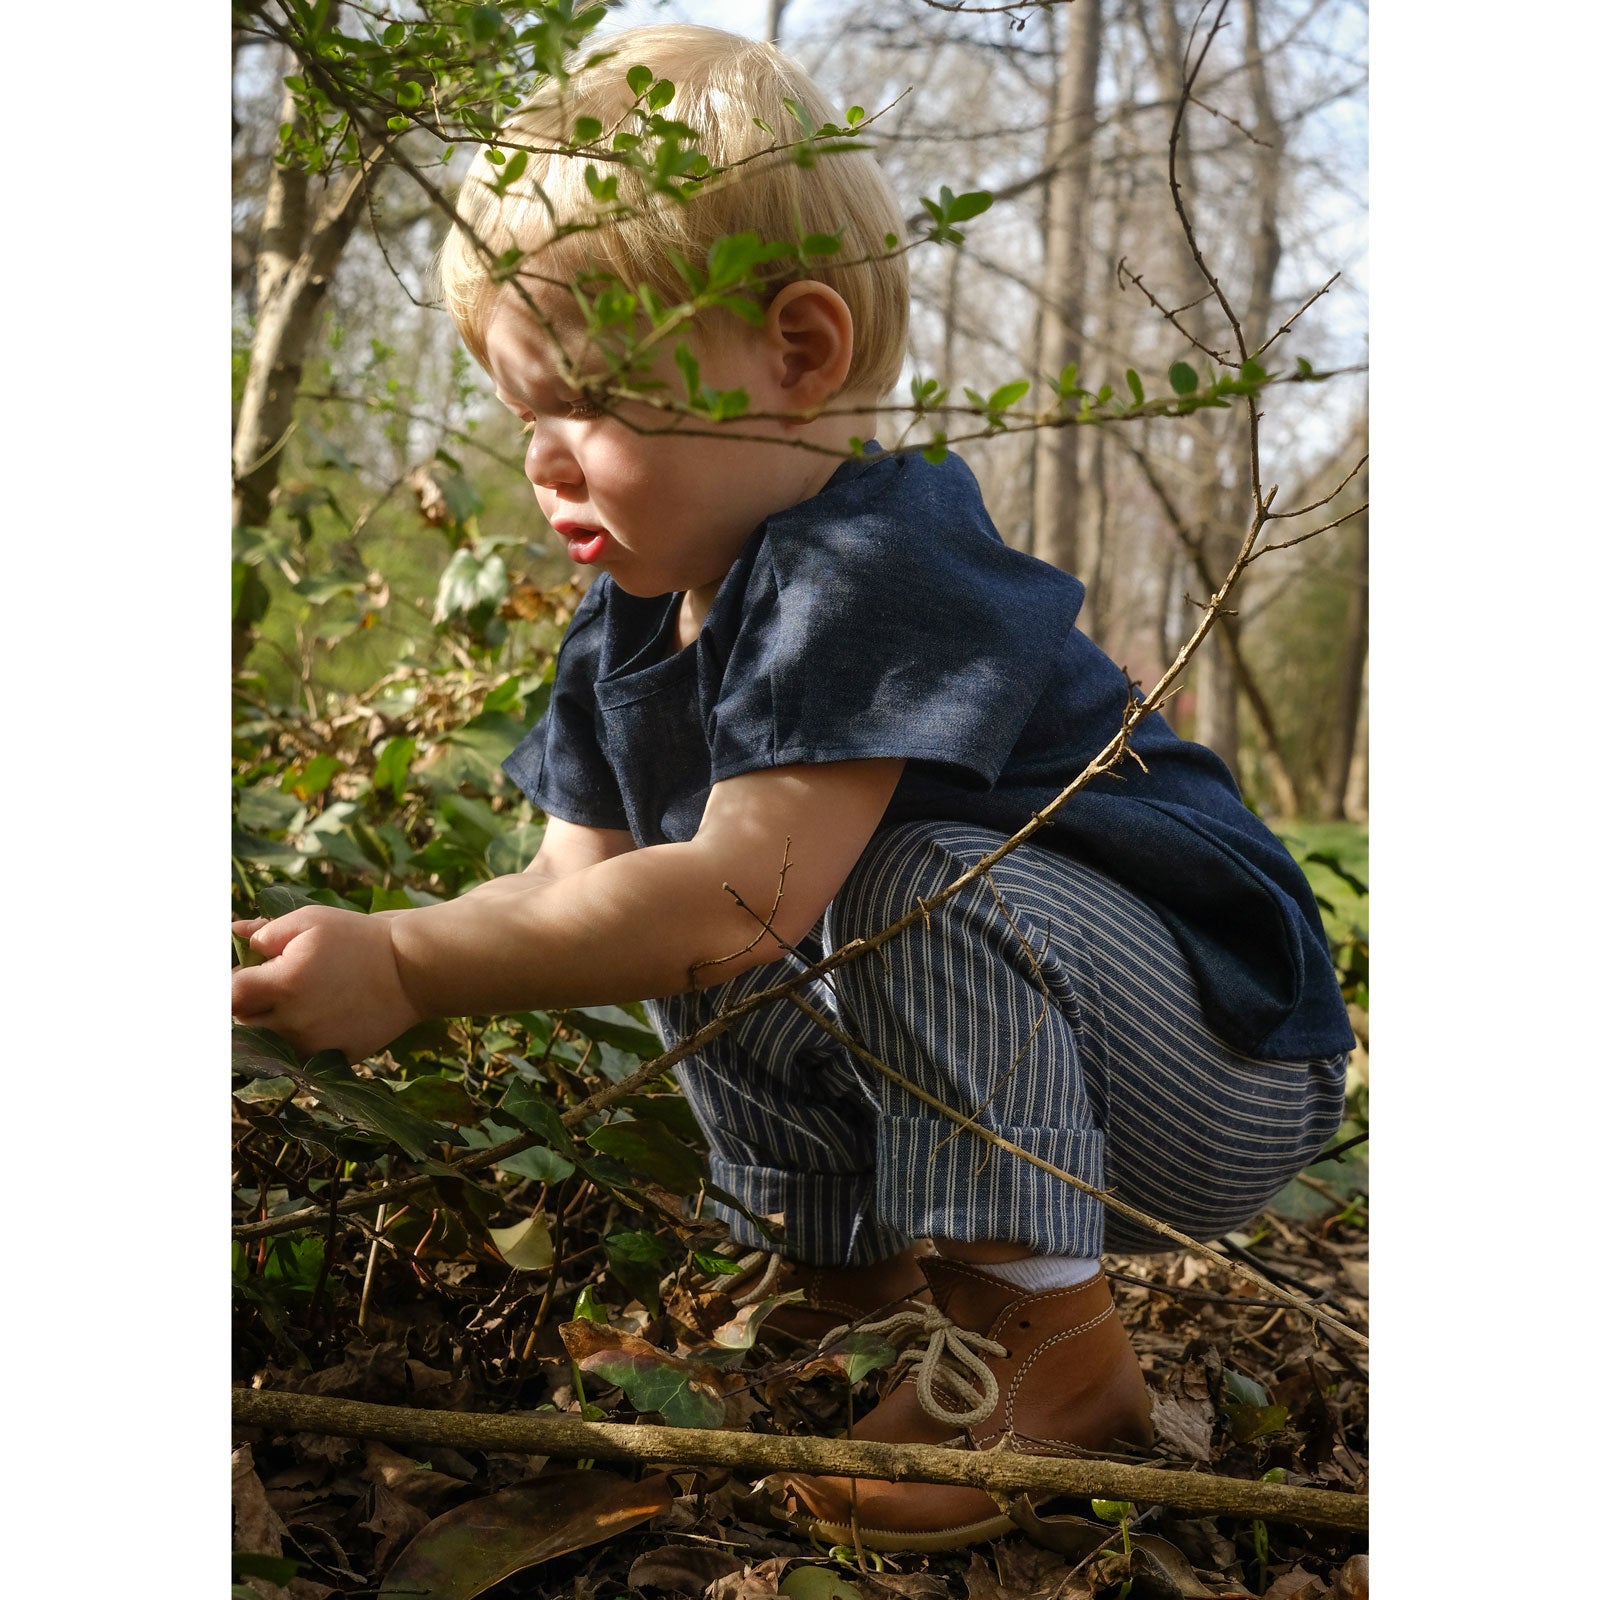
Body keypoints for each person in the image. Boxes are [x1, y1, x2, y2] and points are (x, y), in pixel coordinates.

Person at [231, 24, 1354, 1552]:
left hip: (1214, 1062)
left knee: (841, 886)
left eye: (594, 405)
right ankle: (847, 1294)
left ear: (801, 353)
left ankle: (1049, 1349)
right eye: (523, 419)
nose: (546, 466)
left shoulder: (877, 560)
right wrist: (391, 942)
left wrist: (423, 967)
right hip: (1035, 1071)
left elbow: (747, 901)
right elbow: (575, 895)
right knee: (670, 904)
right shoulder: (632, 607)